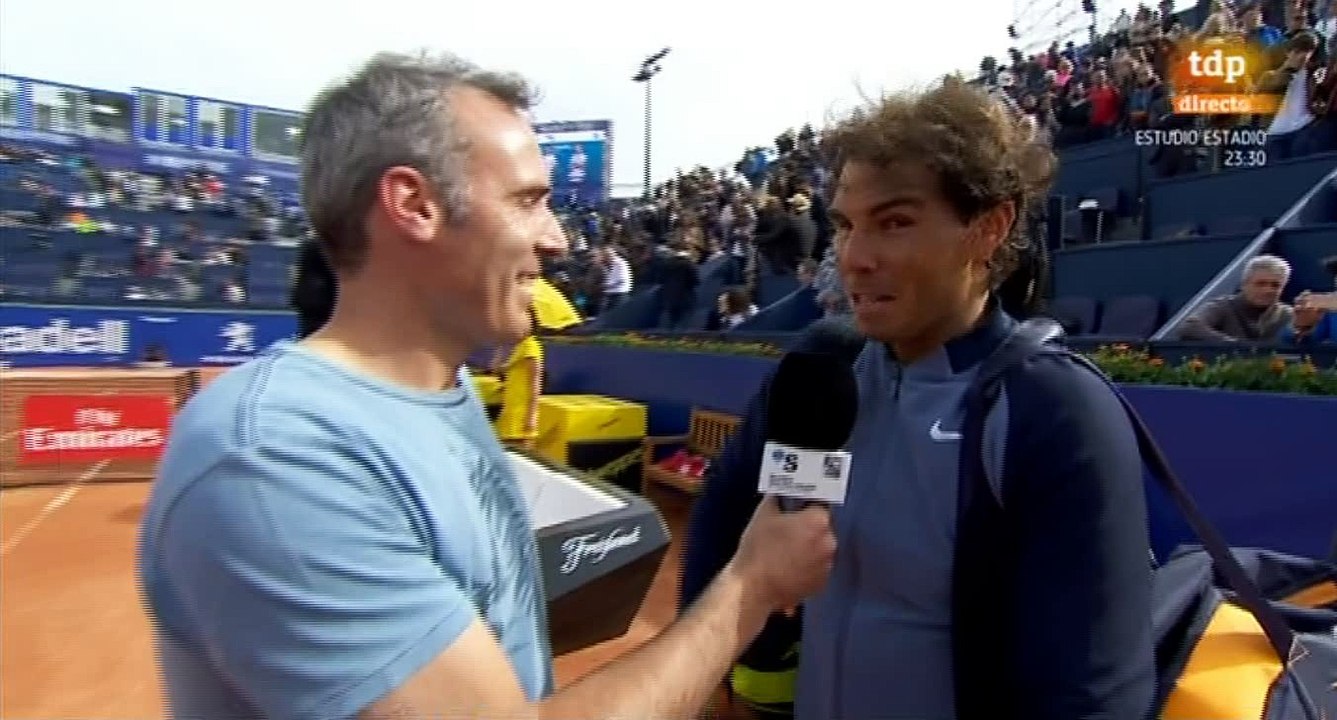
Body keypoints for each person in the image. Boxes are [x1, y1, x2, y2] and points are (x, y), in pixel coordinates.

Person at [136, 51, 836, 720]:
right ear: (414, 204)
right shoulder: (273, 460)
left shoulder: (448, 390)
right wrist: (749, 587)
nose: (557, 238)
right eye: (527, 200)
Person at [682, 79, 1154, 720]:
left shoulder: (1054, 409)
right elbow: (726, 510)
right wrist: (742, 661)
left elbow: (1095, 699)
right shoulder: (824, 364)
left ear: (990, 227)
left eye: (895, 223)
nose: (854, 258)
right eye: (846, 226)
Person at [493, 315, 544, 447]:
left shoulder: (531, 346)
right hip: (510, 409)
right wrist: (500, 346)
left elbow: (536, 382)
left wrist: (531, 416)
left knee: (521, 455)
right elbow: (495, 368)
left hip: (522, 413)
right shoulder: (519, 347)